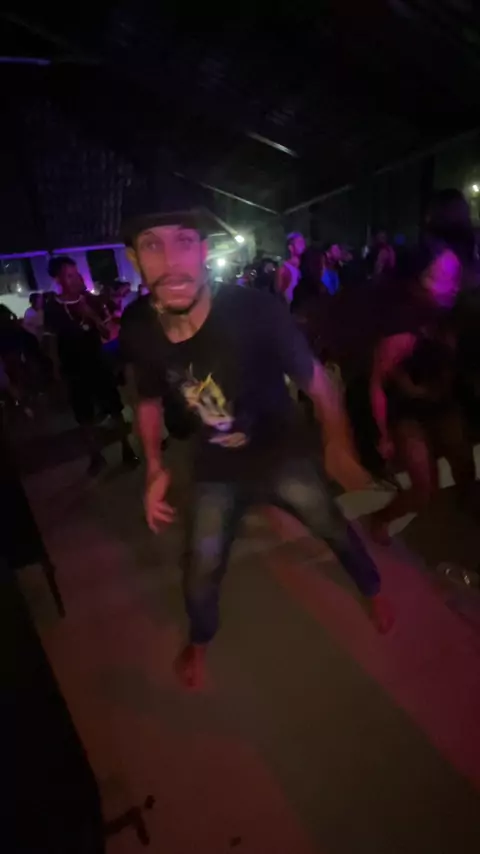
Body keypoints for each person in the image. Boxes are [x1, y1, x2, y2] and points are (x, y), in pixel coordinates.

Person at [120, 205, 394, 691]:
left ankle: (372, 589)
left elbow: (318, 383)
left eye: (184, 241)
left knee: (331, 524)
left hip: (281, 452)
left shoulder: (254, 310)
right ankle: (201, 638)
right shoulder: (139, 327)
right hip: (215, 466)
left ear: (204, 252)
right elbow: (146, 399)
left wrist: (337, 443)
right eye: (152, 245)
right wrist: (155, 466)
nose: (171, 261)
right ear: (134, 259)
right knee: (201, 567)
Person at [368, 241, 475, 543]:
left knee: (464, 463)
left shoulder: (451, 314)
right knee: (423, 490)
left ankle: (466, 511)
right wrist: (384, 435)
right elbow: (377, 383)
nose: (454, 286)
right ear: (422, 279)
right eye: (445, 278)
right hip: (407, 413)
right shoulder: (403, 327)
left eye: (456, 277)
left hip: (442, 403)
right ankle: (380, 518)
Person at [45, 256, 138, 475]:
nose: (76, 278)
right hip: (73, 369)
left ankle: (127, 448)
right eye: (69, 275)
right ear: (58, 279)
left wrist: (91, 316)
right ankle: (95, 456)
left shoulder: (91, 301)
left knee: (114, 408)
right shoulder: (53, 308)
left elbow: (106, 333)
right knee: (84, 416)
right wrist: (56, 369)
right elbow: (51, 342)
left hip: (98, 363)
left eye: (76, 273)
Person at [276, 232, 306, 304]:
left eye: (303, 243)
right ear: (290, 247)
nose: (303, 246)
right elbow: (279, 294)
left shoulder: (306, 266)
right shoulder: (284, 268)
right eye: (299, 243)